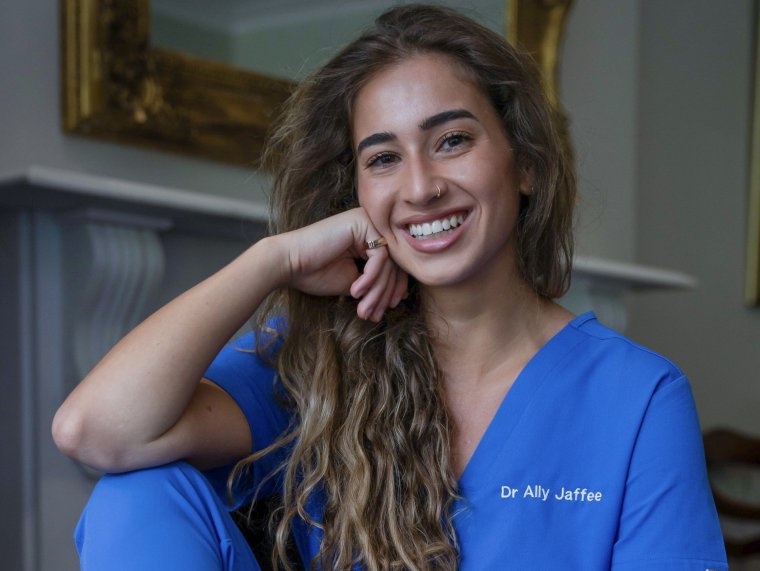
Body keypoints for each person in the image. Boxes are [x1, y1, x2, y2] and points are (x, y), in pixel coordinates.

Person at [52, 4, 728, 570]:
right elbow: (95, 431)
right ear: (357, 191)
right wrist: (274, 258)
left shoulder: (638, 398)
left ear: (523, 163)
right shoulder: (319, 363)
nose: (420, 186)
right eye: (383, 157)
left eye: (453, 140)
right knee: (138, 492)